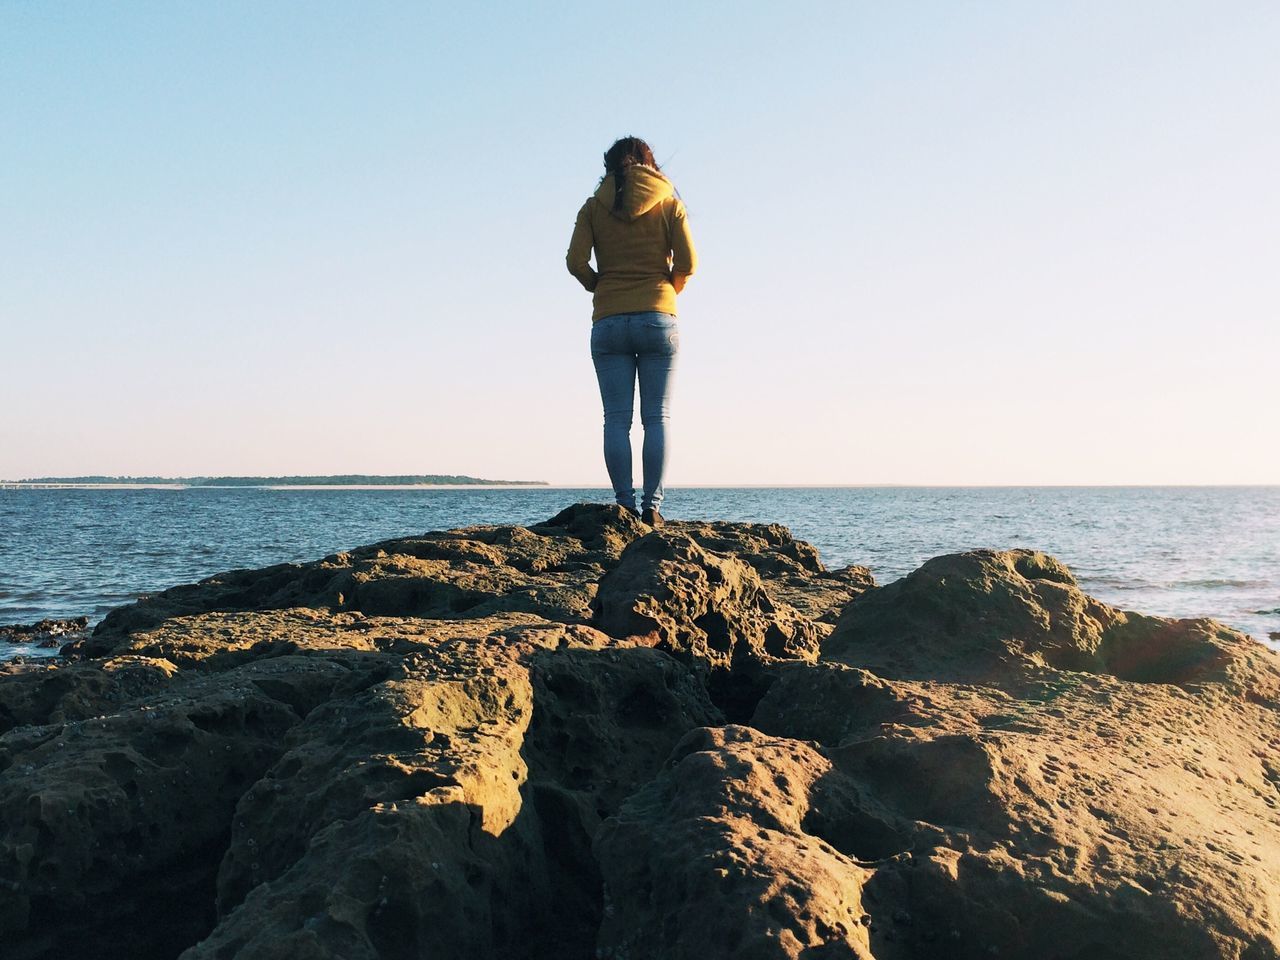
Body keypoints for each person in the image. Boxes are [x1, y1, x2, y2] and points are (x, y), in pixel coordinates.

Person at [566, 136, 697, 527]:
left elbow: (575, 261)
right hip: (658, 318)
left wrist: (598, 286)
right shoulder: (669, 203)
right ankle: (652, 508)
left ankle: (623, 505)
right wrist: (669, 288)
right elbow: (689, 262)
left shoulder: (593, 208)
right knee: (657, 418)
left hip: (608, 320)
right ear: (650, 164)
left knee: (616, 420)